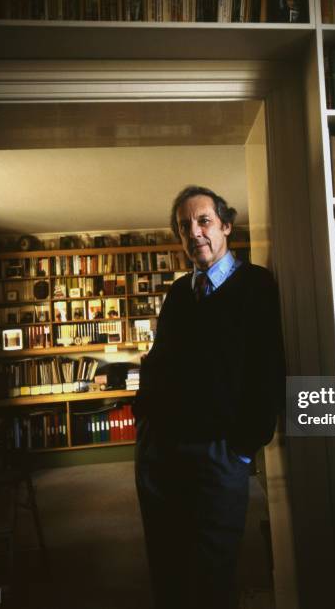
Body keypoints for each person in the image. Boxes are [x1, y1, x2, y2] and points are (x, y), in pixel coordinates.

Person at [134, 185, 286, 609]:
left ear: (226, 226)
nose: (195, 233)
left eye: (203, 221)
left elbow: (267, 371)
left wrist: (242, 448)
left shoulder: (256, 286)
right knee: (169, 566)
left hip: (220, 456)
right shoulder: (179, 293)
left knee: (213, 573)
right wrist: (145, 426)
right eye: (185, 226)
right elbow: (160, 362)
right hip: (163, 453)